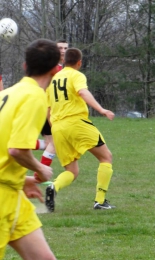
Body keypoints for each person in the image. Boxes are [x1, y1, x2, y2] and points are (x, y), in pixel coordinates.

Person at [0, 38, 60, 260]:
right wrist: (40, 169)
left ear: (25, 66)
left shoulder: (7, 94)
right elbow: (17, 149)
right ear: (56, 70)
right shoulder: (34, 96)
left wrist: (21, 180)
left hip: (12, 194)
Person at [45, 47, 115, 212]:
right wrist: (102, 109)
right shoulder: (76, 75)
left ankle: (53, 187)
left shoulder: (52, 80)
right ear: (79, 63)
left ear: (63, 61)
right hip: (76, 122)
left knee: (72, 171)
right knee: (106, 157)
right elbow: (83, 92)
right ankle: (100, 201)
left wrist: (55, 127)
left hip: (57, 127)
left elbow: (48, 109)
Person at [34, 39, 69, 160]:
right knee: (54, 144)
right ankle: (40, 176)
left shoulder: (62, 69)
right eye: (60, 48)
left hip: (50, 110)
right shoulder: (51, 68)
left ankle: (17, 143)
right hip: (45, 109)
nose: (63, 51)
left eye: (65, 48)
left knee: (50, 144)